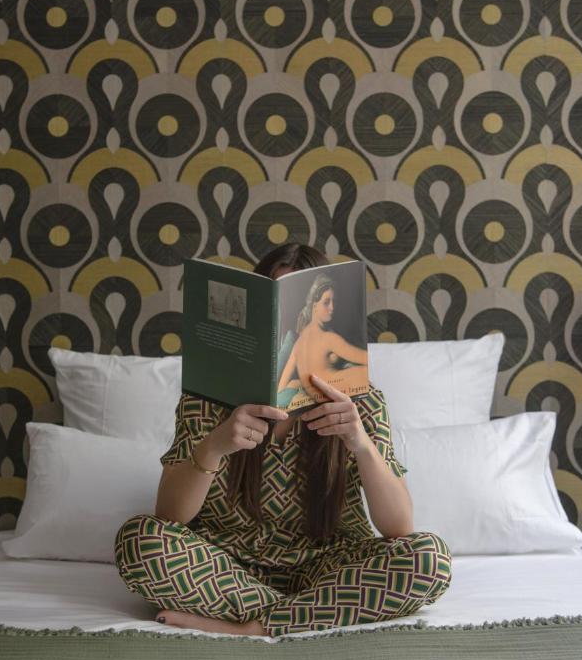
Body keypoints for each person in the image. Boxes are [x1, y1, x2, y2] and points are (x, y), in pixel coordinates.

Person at [113, 243, 452, 637]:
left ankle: (250, 627)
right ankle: (304, 617)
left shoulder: (360, 401)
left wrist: (360, 443)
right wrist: (216, 446)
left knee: (429, 559)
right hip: (227, 567)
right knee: (140, 542)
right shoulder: (205, 398)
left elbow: (400, 527)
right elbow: (170, 516)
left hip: (328, 567)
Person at [276, 272, 369, 410]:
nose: (332, 307)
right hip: (335, 397)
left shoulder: (299, 342)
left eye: (334, 302)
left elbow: (280, 391)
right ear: (314, 305)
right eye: (326, 302)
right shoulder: (328, 339)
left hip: (308, 397)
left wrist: (298, 383)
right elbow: (365, 359)